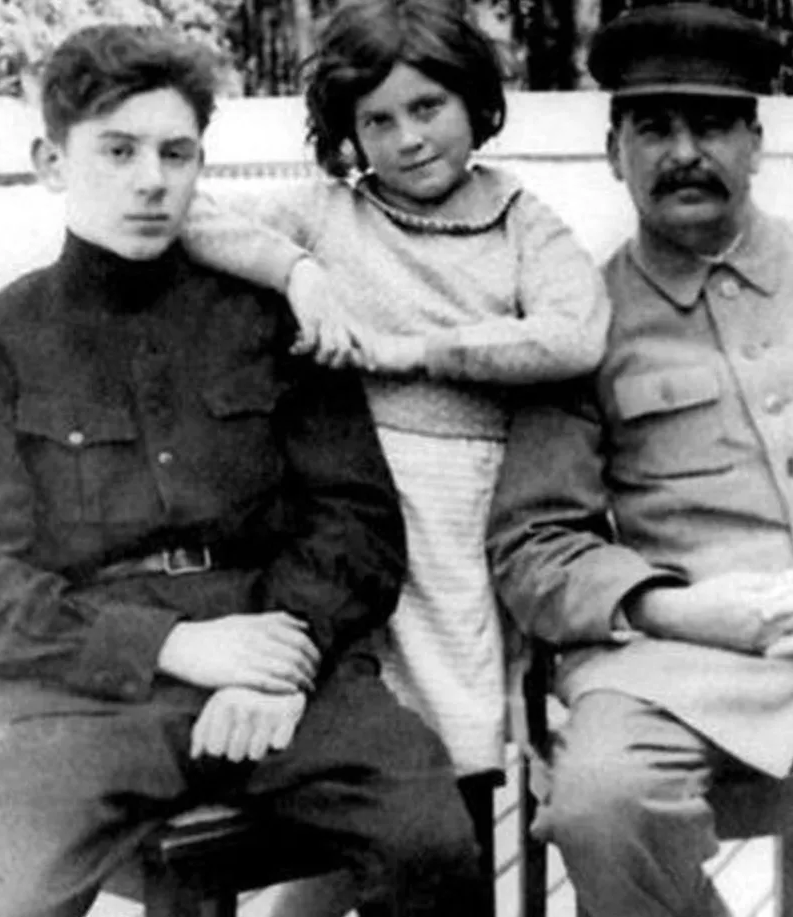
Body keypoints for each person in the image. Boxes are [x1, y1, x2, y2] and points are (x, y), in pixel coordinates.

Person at [0, 23, 485, 917]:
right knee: (4, 890)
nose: (151, 180)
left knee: (432, 837)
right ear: (52, 163)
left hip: (278, 664)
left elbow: (357, 523)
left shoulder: (274, 323)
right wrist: (171, 646)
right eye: (117, 151)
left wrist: (284, 655)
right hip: (79, 699)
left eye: (176, 152)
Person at [486, 4, 793, 916]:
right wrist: (669, 605)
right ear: (613, 151)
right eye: (654, 128)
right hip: (681, 661)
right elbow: (535, 546)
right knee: (601, 807)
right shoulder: (578, 322)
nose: (684, 153)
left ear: (756, 143)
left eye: (711, 124)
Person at [180, 0, 611, 782]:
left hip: (460, 501)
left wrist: (418, 351)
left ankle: (459, 836)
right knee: (350, 714)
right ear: (350, 132)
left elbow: (573, 332)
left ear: (474, 103)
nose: (408, 138)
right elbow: (190, 216)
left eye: (427, 107)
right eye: (378, 121)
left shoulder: (520, 221)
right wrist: (296, 270)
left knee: (457, 724)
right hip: (342, 499)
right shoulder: (327, 212)